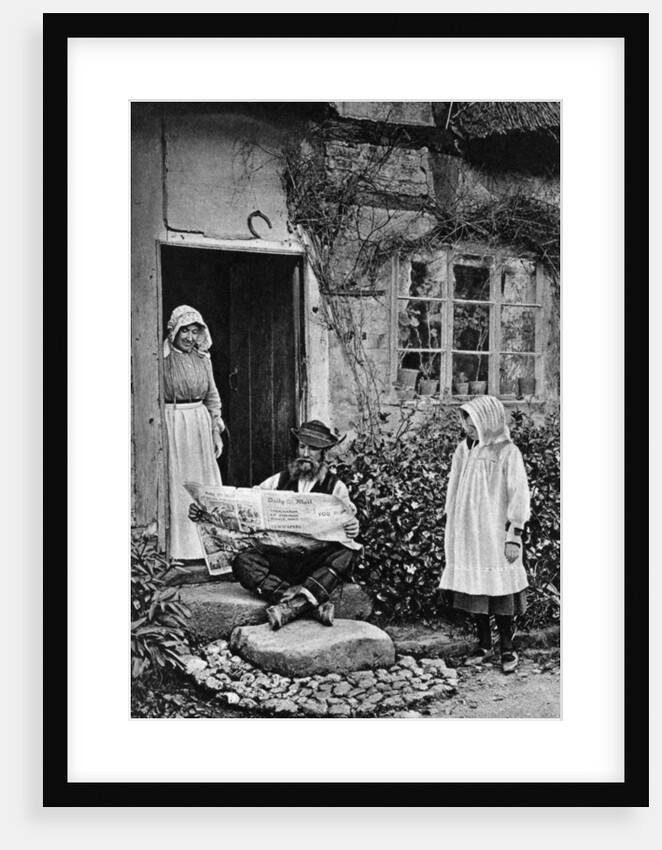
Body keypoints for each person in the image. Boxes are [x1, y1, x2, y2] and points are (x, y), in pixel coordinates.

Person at [228, 420, 360, 630]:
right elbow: (250, 499)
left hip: (313, 562)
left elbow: (348, 520)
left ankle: (292, 606)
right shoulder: (278, 480)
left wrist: (353, 527)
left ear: (324, 453)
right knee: (243, 562)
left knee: (348, 554)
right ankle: (305, 602)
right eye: (302, 446)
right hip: (282, 558)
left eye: (313, 448)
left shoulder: (336, 487)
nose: (305, 453)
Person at [439, 395, 531, 674]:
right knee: (476, 586)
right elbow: (454, 487)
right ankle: (483, 644)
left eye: (471, 419)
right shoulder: (463, 449)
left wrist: (514, 533)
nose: (466, 425)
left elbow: (519, 493)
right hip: (469, 530)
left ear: (487, 419)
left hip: (494, 529)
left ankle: (507, 647)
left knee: (500, 589)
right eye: (465, 419)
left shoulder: (507, 451)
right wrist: (452, 520)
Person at [163, 305, 225, 561]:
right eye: (184, 331)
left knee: (203, 484)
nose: (189, 337)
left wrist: (215, 430)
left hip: (199, 423)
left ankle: (207, 550)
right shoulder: (163, 359)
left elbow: (212, 396)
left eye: (194, 331)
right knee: (178, 484)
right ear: (174, 332)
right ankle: (181, 550)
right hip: (174, 423)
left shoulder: (203, 358)